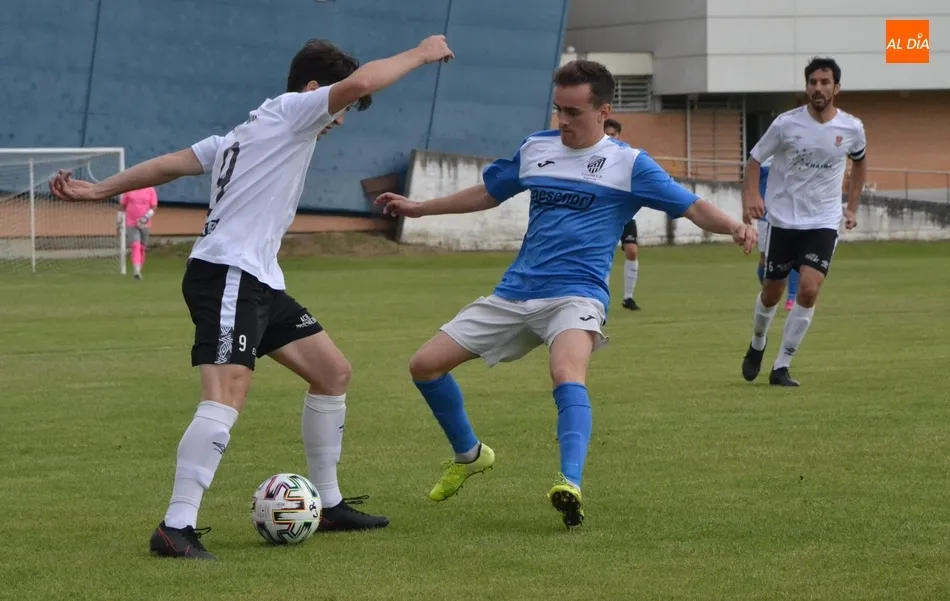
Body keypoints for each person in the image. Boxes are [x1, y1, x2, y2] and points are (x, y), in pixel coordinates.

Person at [48, 35, 456, 559]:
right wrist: (421, 53)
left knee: (332, 372)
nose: (341, 118)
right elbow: (359, 82)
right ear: (312, 89)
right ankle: (176, 526)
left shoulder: (248, 131)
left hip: (258, 279)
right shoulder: (291, 112)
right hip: (227, 274)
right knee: (227, 393)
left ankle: (328, 504)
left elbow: (172, 163)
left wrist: (99, 189)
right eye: (341, 107)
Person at [376, 59, 756, 528]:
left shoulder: (629, 164)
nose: (563, 121)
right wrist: (420, 208)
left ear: (603, 112)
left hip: (576, 295)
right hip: (516, 292)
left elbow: (692, 206)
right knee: (424, 365)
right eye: (558, 109)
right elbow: (489, 192)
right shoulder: (537, 148)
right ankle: (470, 454)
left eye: (574, 112)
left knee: (566, 372)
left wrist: (734, 226)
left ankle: (569, 483)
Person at [740, 56, 867, 387]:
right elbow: (754, 159)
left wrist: (851, 207)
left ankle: (782, 365)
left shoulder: (852, 128)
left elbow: (860, 163)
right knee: (772, 293)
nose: (818, 88)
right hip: (783, 220)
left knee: (809, 289)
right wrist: (751, 196)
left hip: (823, 221)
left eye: (825, 82)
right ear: (807, 87)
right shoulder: (786, 124)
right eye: (813, 82)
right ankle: (757, 343)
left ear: (836, 88)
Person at [604, 118, 641, 310]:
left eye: (613, 134)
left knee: (632, 251)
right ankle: (602, 295)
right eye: (607, 134)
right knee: (604, 254)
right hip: (605, 215)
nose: (610, 138)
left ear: (619, 136)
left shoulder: (627, 156)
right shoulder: (596, 156)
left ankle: (628, 297)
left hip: (626, 214)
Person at [755, 157, 798, 310]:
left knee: (792, 256)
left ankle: (792, 296)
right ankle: (769, 292)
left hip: (789, 215)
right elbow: (753, 184)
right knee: (765, 258)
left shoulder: (793, 157)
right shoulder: (762, 158)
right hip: (765, 215)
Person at [120, 186, 159, 279]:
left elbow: (154, 207)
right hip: (131, 223)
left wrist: (145, 218)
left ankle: (139, 270)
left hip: (145, 223)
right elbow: (122, 206)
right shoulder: (129, 189)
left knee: (142, 247)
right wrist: (119, 221)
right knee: (135, 245)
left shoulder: (150, 190)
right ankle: (136, 270)